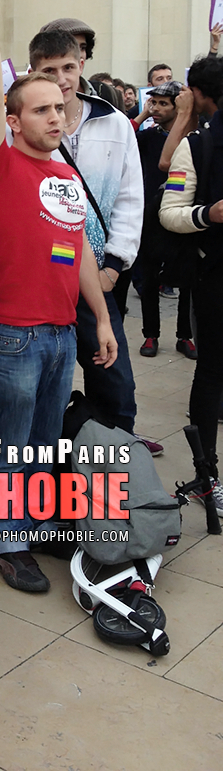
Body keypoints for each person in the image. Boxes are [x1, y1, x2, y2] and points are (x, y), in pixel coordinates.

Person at [0, 0, 117, 593]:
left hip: (60, 332)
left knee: (41, 440)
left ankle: (25, 523)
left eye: (59, 107)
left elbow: (77, 247)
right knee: (10, 441)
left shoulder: (64, 175)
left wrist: (102, 319)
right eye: (40, 109)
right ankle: (6, 539)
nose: (56, 116)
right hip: (13, 334)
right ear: (13, 120)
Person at [27, 28, 148, 447]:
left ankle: (113, 465)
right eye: (49, 70)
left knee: (115, 385)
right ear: (33, 71)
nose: (61, 78)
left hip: (95, 280)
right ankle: (45, 468)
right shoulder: (21, 125)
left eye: (68, 67)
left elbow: (131, 198)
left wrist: (113, 266)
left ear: (81, 65)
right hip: (40, 283)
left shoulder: (115, 124)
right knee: (36, 391)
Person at [160, 92, 223, 516]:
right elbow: (171, 212)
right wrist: (208, 214)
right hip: (214, 276)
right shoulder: (198, 146)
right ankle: (207, 475)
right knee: (212, 370)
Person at [135, 81, 195, 359]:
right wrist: (143, 115)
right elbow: (126, 136)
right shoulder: (149, 136)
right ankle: (151, 334)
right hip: (151, 214)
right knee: (149, 277)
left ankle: (185, 335)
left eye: (163, 104)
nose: (156, 108)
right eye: (153, 102)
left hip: (183, 213)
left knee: (187, 278)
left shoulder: (192, 138)